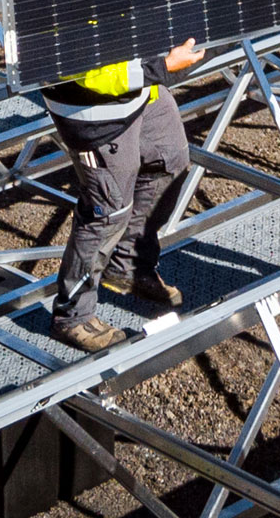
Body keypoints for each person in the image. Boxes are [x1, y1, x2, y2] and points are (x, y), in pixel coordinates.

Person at [42, 38, 205, 352]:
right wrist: (162, 67)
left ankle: (127, 265)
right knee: (107, 211)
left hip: (141, 92)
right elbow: (89, 72)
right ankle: (72, 315)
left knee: (169, 159)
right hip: (92, 110)